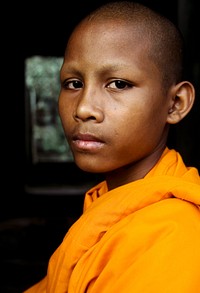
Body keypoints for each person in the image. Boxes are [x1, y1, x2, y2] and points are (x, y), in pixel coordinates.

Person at [24, 1, 200, 292]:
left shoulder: (175, 233)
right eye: (73, 83)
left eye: (118, 84)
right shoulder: (108, 203)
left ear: (176, 103)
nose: (83, 108)